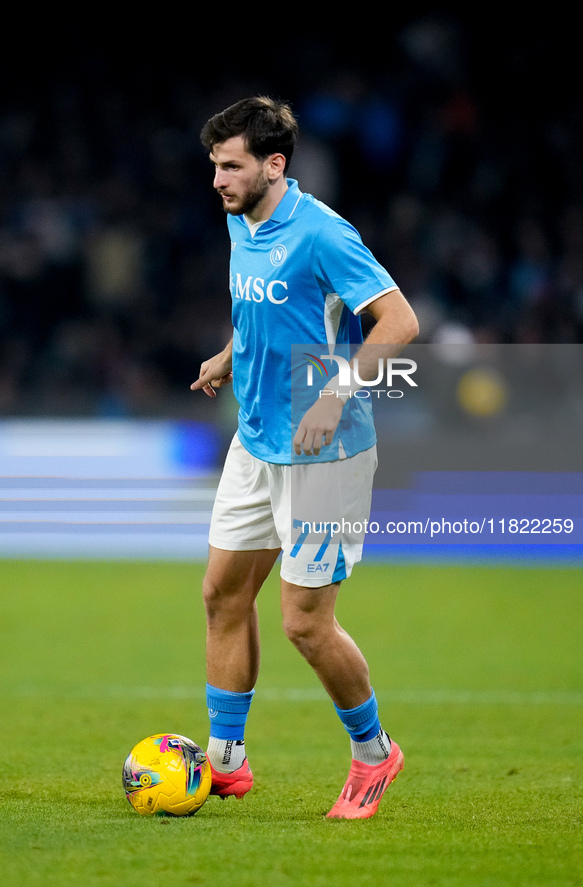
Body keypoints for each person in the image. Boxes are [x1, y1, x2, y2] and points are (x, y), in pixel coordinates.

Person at [191, 96, 419, 819]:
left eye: (231, 166)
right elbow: (261, 305)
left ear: (274, 164)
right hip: (255, 439)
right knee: (222, 594)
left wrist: (332, 391)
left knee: (304, 623)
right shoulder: (240, 218)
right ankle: (226, 762)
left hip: (325, 453)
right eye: (214, 166)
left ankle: (374, 753)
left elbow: (399, 320)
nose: (218, 180)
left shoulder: (322, 233)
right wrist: (230, 355)